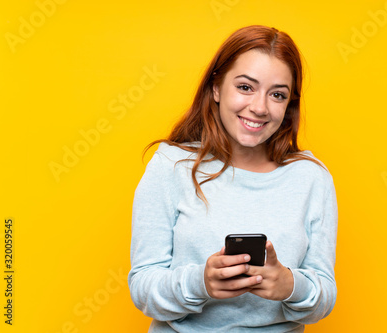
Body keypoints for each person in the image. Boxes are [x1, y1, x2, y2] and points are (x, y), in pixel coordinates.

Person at [128, 25, 338, 332]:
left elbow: (324, 296)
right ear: (216, 88)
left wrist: (291, 285)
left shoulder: (311, 178)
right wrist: (201, 282)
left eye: (277, 94)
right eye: (245, 87)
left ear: (289, 105)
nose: (260, 107)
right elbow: (143, 288)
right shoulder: (170, 166)